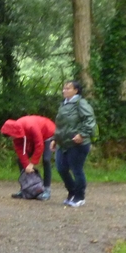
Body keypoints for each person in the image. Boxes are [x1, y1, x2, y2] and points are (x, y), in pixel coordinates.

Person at [52, 79, 96, 207]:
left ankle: (79, 196)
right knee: (61, 168)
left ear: (76, 90)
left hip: (78, 143)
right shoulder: (63, 104)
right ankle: (72, 192)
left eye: (68, 88)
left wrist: (82, 134)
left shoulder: (81, 103)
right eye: (64, 88)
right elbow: (61, 125)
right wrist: (55, 139)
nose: (64, 91)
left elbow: (89, 120)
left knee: (76, 169)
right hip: (63, 143)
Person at [0, 115, 55, 201]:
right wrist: (26, 165)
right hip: (32, 137)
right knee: (20, 160)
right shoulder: (16, 132)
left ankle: (46, 189)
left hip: (48, 134)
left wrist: (32, 163)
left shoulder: (31, 126)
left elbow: (39, 145)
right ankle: (26, 188)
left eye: (10, 136)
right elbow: (20, 150)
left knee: (46, 160)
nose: (11, 138)